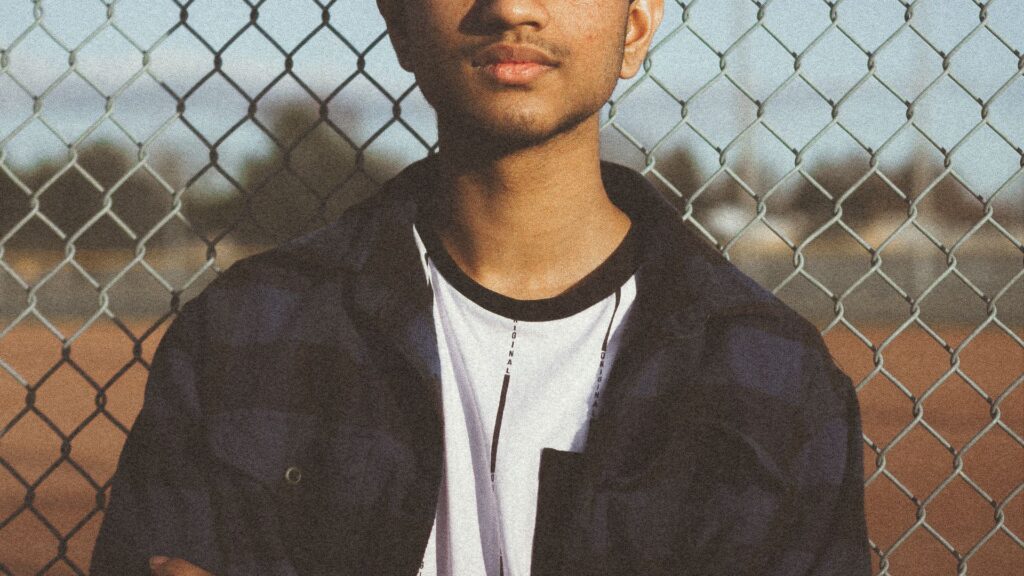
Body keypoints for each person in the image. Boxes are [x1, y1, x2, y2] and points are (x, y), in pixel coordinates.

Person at [91, 0, 870, 574]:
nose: (511, 9)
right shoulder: (243, 338)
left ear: (634, 29)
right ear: (398, 25)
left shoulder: (774, 380)